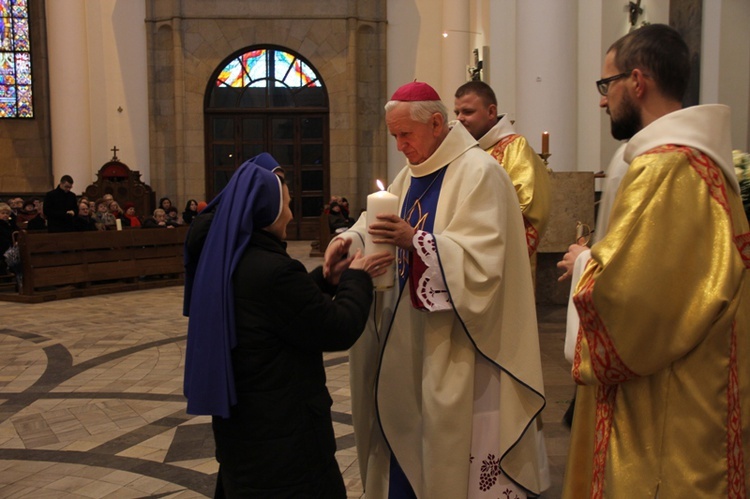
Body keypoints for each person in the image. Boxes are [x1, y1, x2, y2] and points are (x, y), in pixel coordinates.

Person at [324, 81, 547, 498]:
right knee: (410, 431)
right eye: (394, 136)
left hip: (462, 346)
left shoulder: (480, 173)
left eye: (405, 135)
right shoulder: (412, 173)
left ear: (438, 123)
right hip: (411, 338)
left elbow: (484, 265)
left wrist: (418, 242)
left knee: (452, 444)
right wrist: (349, 241)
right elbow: (377, 220)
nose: (400, 146)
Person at [562, 24, 750, 498]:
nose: (603, 100)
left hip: (665, 408)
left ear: (637, 81)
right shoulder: (702, 162)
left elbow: (631, 302)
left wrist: (586, 265)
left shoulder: (667, 169)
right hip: (697, 382)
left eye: (607, 86)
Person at [183, 154, 393, 497]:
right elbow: (337, 328)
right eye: (287, 205)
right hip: (286, 444)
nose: (292, 214)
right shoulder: (273, 270)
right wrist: (357, 279)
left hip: (246, 435)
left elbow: (281, 310)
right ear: (266, 210)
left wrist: (325, 280)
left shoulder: (232, 258)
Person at [454, 81, 551, 263]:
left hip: (495, 257)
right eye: (457, 112)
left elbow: (527, 207)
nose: (459, 118)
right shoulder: (462, 151)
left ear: (491, 112)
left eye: (467, 112)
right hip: (462, 253)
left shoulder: (514, 147)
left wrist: (479, 242)